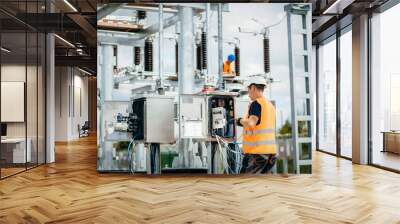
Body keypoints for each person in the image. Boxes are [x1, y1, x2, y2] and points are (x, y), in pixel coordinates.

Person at [236, 76, 277, 174]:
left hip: (257, 153)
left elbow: (251, 124)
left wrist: (239, 120)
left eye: (248, 89)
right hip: (271, 153)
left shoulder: (256, 103)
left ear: (253, 87)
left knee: (245, 183)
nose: (248, 93)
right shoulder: (270, 106)